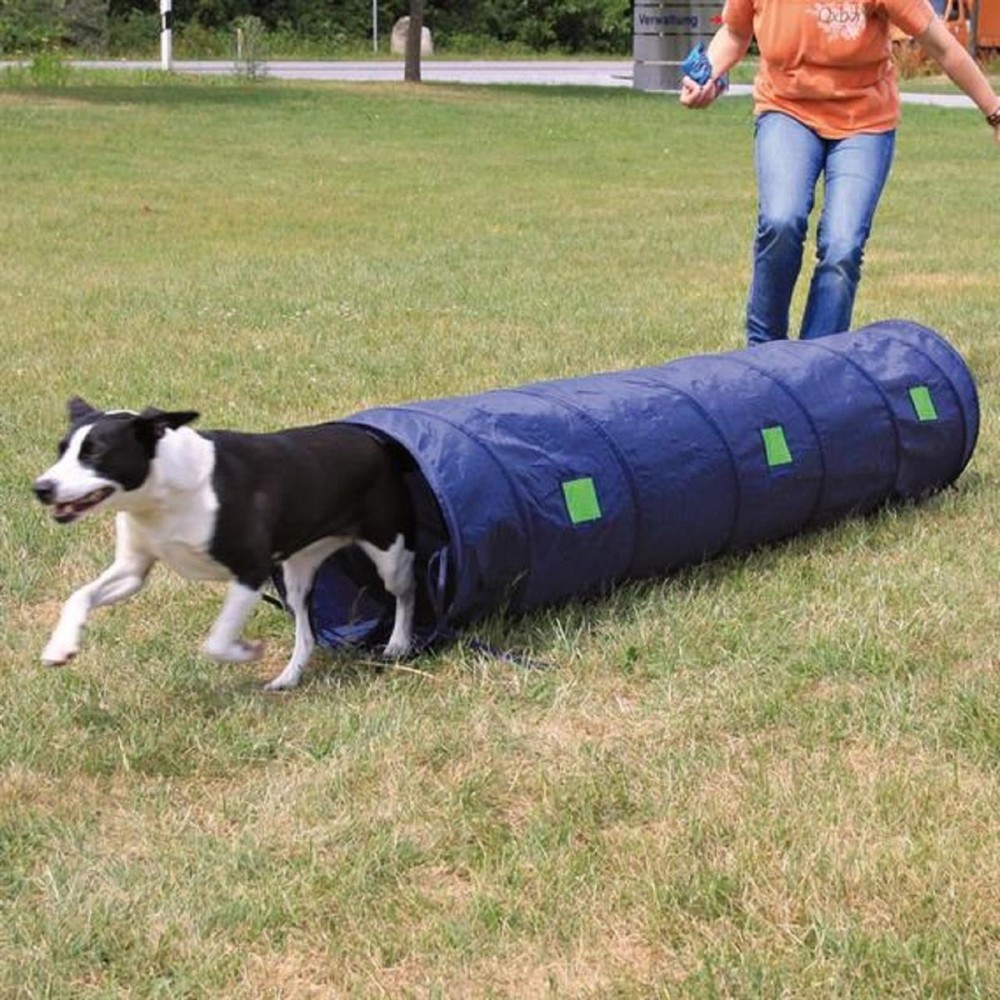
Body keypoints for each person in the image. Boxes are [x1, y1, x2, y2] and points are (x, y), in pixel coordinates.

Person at [680, 0, 1000, 346]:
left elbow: (942, 47)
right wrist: (708, 77)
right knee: (781, 220)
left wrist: (994, 111)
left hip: (864, 120)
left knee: (842, 245)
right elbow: (736, 32)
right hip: (786, 108)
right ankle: (764, 354)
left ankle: (817, 364)